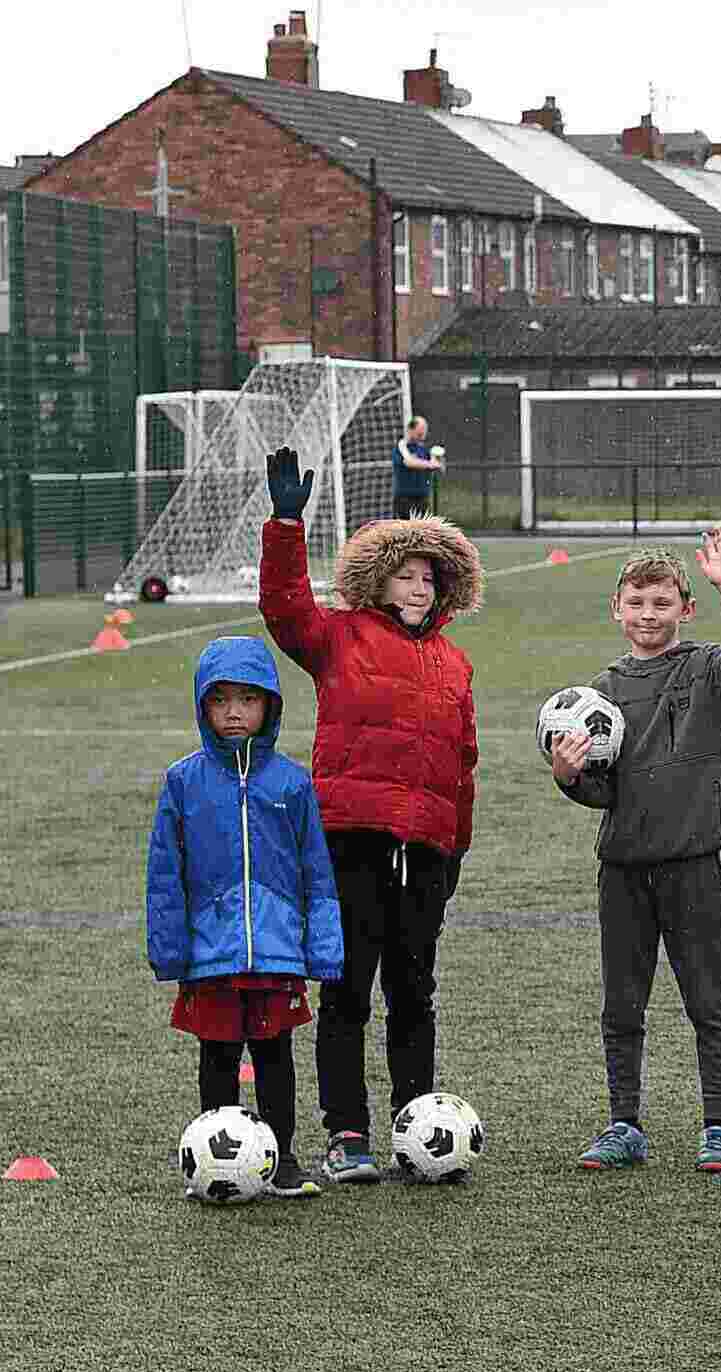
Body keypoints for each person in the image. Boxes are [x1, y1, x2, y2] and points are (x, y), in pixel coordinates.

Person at [261, 447, 480, 1184]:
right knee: (348, 989)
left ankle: (416, 1124)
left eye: (429, 577)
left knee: (414, 990)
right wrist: (286, 526)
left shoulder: (455, 662)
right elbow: (284, 610)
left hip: (425, 852)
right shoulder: (339, 637)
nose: (419, 586)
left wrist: (453, 852)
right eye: (406, 574)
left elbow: (464, 764)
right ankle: (348, 1132)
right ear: (377, 579)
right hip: (350, 841)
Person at [551, 532, 721, 1174]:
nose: (648, 614)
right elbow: (603, 790)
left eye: (661, 602)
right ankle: (624, 1124)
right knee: (622, 1005)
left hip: (694, 869)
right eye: (636, 603)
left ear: (686, 608)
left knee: (709, 1002)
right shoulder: (601, 692)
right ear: (615, 609)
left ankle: (718, 1127)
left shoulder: (708, 667)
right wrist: (569, 776)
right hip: (622, 871)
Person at [148, 635, 345, 1199]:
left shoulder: (292, 782)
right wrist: (170, 948)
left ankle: (280, 1158)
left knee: (276, 1056)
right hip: (211, 952)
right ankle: (215, 1162)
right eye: (221, 700)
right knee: (217, 1056)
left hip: (277, 951)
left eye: (248, 699)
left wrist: (323, 946)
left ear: (270, 707)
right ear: (202, 706)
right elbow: (165, 873)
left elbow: (316, 872)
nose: (234, 712)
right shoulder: (183, 781)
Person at [392, 417, 443, 521]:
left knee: (423, 531)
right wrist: (430, 464)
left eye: (424, 431)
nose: (423, 433)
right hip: (405, 499)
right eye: (420, 431)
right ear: (411, 429)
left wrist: (439, 460)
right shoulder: (401, 446)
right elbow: (409, 462)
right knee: (406, 532)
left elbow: (439, 468)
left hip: (422, 498)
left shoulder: (424, 449)